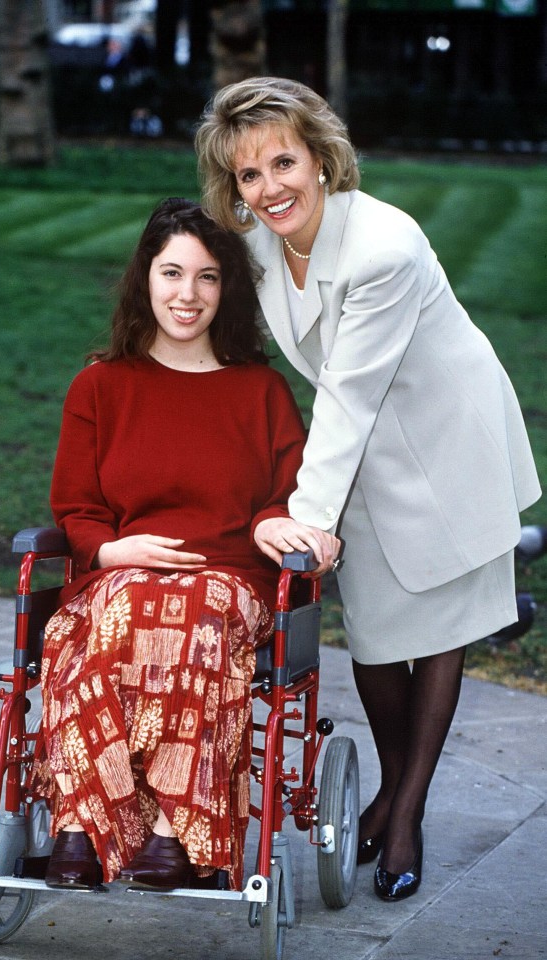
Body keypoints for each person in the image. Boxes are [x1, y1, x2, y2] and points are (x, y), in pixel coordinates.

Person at [194, 78, 541, 902]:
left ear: (321, 159)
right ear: (234, 187)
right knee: (382, 635)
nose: (271, 188)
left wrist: (305, 522)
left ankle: (406, 811)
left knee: (442, 624)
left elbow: (347, 392)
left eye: (285, 162)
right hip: (362, 451)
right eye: (249, 175)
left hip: (449, 436)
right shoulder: (256, 244)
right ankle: (389, 790)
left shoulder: (384, 246)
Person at [30, 198, 339, 894]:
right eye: (172, 273)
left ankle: (174, 832)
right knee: (116, 619)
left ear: (226, 289)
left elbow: (288, 497)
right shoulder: (100, 386)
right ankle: (82, 824)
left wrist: (273, 521)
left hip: (230, 578)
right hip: (121, 573)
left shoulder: (260, 392)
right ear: (146, 279)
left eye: (206, 277)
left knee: (191, 622)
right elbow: (76, 509)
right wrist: (114, 551)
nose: (187, 295)